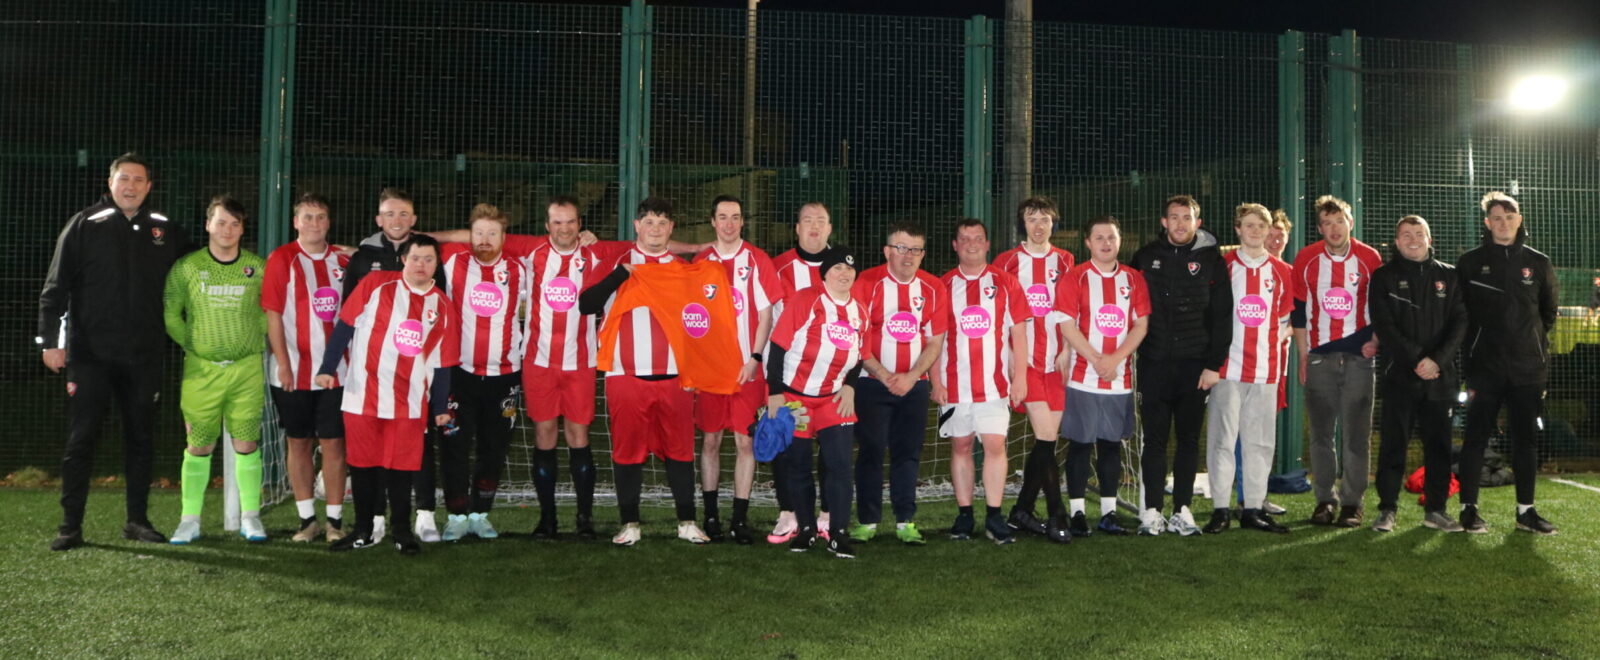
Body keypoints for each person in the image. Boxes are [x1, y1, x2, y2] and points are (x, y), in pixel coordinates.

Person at [38, 153, 189, 551]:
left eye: (139, 180)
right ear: (110, 183)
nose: (131, 186)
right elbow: (55, 289)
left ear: (149, 186)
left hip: (143, 357)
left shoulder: (164, 229)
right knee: (81, 439)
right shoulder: (85, 224)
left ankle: (137, 521)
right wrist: (51, 343)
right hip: (90, 356)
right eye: (124, 178)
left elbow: (200, 269)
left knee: (141, 439)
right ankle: (70, 526)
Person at [577, 197, 709, 546]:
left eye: (663, 223)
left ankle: (686, 521)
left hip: (675, 376)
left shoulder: (683, 269)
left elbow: (700, 318)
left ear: (671, 229)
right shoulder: (617, 262)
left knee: (681, 451)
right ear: (636, 226)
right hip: (626, 374)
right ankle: (630, 524)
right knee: (627, 451)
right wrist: (620, 277)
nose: (655, 229)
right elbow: (586, 304)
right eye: (649, 222)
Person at [319, 235, 459, 555]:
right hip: (362, 395)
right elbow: (345, 327)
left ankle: (401, 531)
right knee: (364, 466)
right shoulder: (376, 284)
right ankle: (364, 530)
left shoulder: (442, 306)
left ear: (436, 266)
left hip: (409, 401)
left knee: (401, 468)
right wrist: (328, 367)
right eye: (415, 258)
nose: (421, 265)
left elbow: (442, 363)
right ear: (403, 260)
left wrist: (439, 406)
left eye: (428, 259)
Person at [163, 195, 269, 544]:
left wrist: (255, 337)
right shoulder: (187, 267)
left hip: (246, 369)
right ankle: (189, 520)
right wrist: (193, 345)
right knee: (198, 445)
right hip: (201, 371)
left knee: (247, 441)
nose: (227, 230)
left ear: (242, 229)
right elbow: (170, 313)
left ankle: (250, 516)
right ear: (208, 224)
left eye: (235, 224)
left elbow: (269, 312)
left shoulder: (257, 267)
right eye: (221, 222)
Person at [342, 188, 445, 542]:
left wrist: (438, 393)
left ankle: (421, 517)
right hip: (368, 383)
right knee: (368, 459)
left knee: (412, 454)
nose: (397, 220)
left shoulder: (428, 257)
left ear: (414, 219)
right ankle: (371, 524)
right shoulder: (363, 260)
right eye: (390, 214)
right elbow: (347, 319)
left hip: (412, 385)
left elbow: (437, 326)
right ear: (378, 219)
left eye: (404, 214)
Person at [1455, 191, 1559, 535]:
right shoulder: (1469, 263)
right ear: (1487, 223)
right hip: (1484, 369)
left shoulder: (1539, 262)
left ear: (1520, 219)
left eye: (1509, 216)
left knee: (1525, 439)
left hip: (1527, 370)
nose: (1503, 222)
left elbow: (1548, 314)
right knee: (1476, 438)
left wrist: (1527, 345)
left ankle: (1525, 511)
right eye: (1496, 217)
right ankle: (1469, 510)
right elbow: (1461, 314)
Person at [1129, 195, 1232, 536]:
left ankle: (1183, 509)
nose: (1179, 223)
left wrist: (1213, 365)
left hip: (1194, 367)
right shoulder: (1145, 257)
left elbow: (1222, 317)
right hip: (1154, 364)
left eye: (1186, 218)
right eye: (1173, 217)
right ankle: (1153, 511)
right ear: (1163, 222)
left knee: (1188, 440)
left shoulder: (1212, 261)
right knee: (1154, 441)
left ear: (1197, 223)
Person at [850, 222, 948, 545]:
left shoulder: (934, 288)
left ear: (923, 254)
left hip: (914, 385)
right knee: (871, 451)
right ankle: (868, 520)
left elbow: (935, 341)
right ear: (887, 251)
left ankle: (906, 521)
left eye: (916, 249)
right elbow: (857, 337)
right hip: (871, 383)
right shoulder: (866, 282)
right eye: (902, 248)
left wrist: (910, 377)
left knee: (908, 453)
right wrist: (882, 374)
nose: (908, 256)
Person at [1368, 216, 1468, 533]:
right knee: (1393, 445)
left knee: (1438, 447)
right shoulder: (1383, 277)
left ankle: (1436, 510)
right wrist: (1416, 359)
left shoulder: (1450, 276)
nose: (1413, 240)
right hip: (1401, 375)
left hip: (1440, 378)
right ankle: (1387, 509)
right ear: (1397, 242)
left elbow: (1461, 323)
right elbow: (1385, 326)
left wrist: (1436, 361)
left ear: (1429, 238)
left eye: (1419, 234)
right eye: (1406, 235)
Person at [435, 204, 528, 541]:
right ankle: (457, 516)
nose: (485, 240)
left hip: (505, 376)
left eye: (493, 233)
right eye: (479, 233)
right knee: (454, 446)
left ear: (505, 237)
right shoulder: (452, 262)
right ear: (468, 235)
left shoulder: (521, 270)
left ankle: (480, 514)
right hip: (460, 374)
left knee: (495, 447)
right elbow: (413, 240)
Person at [766, 248, 867, 558]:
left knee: (839, 467)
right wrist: (775, 393)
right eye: (837, 268)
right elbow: (778, 347)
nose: (844, 274)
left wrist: (850, 386)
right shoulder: (805, 300)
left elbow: (860, 356)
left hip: (832, 399)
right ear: (825, 273)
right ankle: (806, 529)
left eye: (849, 269)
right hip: (796, 399)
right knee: (798, 466)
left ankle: (838, 533)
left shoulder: (859, 312)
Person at [933, 220, 1029, 544]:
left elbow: (1018, 332)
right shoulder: (942, 286)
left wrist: (1021, 378)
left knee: (995, 444)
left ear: (988, 245)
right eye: (964, 239)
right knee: (960, 446)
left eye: (977, 239)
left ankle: (994, 515)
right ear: (955, 245)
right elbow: (934, 339)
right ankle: (964, 516)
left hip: (995, 385)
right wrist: (935, 380)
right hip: (954, 385)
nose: (971, 244)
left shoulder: (1006, 282)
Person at [263, 192, 351, 543]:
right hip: (293, 371)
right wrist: (283, 364)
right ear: (296, 222)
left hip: (337, 372)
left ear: (328, 223)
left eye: (321, 217)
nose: (314, 223)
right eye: (307, 217)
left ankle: (334, 521)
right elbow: (273, 314)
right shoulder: (282, 259)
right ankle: (306, 521)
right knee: (298, 443)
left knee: (333, 444)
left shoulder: (343, 261)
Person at [1053, 215, 1148, 537]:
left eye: (1112, 237)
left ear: (1120, 242)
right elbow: (1066, 323)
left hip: (1119, 379)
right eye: (1099, 238)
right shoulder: (1075, 278)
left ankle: (1109, 512)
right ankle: (1078, 513)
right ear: (1088, 243)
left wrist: (1115, 359)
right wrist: (1096, 359)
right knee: (1080, 445)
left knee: (1111, 446)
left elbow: (1141, 324)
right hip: (1084, 377)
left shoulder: (1134, 279)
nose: (1106, 243)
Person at [693, 195, 780, 544]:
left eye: (735, 217)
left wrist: (755, 358)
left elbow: (765, 314)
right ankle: (711, 516)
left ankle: (739, 519)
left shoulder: (756, 259)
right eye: (722, 217)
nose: (729, 223)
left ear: (742, 222)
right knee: (711, 440)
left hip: (746, 370)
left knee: (745, 442)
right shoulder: (700, 262)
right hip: (712, 373)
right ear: (712, 222)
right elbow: (692, 318)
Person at [1291, 195, 1382, 528]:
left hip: (1359, 358)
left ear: (1350, 223)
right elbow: (1298, 312)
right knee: (1321, 434)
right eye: (1327, 223)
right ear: (1320, 228)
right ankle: (1324, 500)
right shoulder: (1307, 258)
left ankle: (1352, 503)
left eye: (1339, 221)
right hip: (1320, 357)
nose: (1333, 228)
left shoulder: (1370, 257)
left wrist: (1375, 340)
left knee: (1357, 435)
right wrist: (1303, 355)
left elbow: (1383, 306)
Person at [1203, 204, 1293, 534]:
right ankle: (1220, 509)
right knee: (1222, 440)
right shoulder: (1224, 266)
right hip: (1227, 368)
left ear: (1270, 231)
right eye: (1249, 225)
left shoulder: (1283, 271)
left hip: (1266, 371)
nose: (1256, 231)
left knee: (1260, 442)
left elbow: (1283, 320)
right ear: (1238, 229)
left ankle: (1253, 508)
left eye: (1262, 226)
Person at [994, 196, 1075, 543]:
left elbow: (1073, 309)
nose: (1038, 225)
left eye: (1045, 219)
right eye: (1031, 219)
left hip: (1056, 360)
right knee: (1045, 437)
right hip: (1025, 363)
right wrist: (1011, 359)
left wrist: (1069, 349)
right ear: (1021, 224)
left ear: (1053, 223)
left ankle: (1022, 510)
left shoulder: (1066, 261)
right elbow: (998, 315)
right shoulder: (1007, 262)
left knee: (1047, 442)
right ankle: (1058, 515)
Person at [765, 201, 835, 543]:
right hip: (790, 380)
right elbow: (768, 321)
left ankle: (826, 514)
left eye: (820, 221)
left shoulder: (843, 268)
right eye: (807, 220)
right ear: (796, 227)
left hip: (831, 381)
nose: (814, 227)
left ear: (830, 228)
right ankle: (788, 512)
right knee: (788, 443)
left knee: (831, 447)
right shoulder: (778, 268)